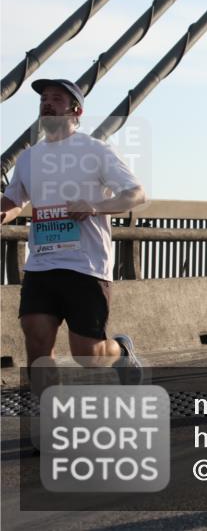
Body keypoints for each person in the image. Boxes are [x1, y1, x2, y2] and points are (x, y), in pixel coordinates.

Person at [0, 78, 146, 382]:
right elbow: (15, 199)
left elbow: (136, 194)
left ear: (76, 110)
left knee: (87, 354)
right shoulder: (28, 157)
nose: (47, 103)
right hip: (41, 262)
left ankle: (121, 351)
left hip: (86, 264)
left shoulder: (96, 150)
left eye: (56, 99)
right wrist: (4, 211)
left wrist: (94, 206)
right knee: (37, 341)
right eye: (43, 100)